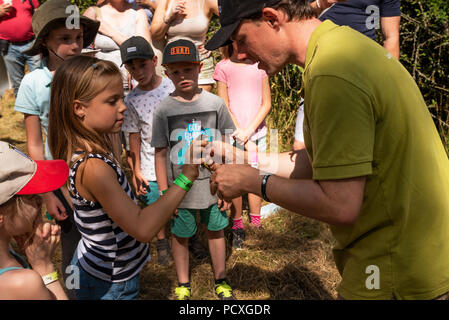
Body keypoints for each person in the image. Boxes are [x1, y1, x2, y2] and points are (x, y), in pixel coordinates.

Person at [204, 0, 449, 300]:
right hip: (417, 255)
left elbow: (341, 205)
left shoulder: (331, 74)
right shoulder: (341, 45)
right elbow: (324, 160)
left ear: (271, 19)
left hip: (394, 270)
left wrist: (251, 182)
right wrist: (243, 159)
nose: (240, 54)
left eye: (241, 40)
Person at [47, 55, 201, 300]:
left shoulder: (83, 148)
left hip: (97, 264)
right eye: (112, 101)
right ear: (79, 108)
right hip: (112, 282)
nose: (123, 106)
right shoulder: (94, 167)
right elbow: (142, 227)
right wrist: (187, 176)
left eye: (122, 96)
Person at [13, 0, 100, 300]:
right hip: (60, 181)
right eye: (64, 39)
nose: (74, 46)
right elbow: (35, 144)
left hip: (96, 175)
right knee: (72, 245)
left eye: (78, 38)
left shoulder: (93, 76)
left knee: (103, 239)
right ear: (45, 42)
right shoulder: (33, 82)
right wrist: (48, 192)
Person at [151, 39, 235, 300]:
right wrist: (166, 193)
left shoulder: (215, 104)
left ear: (200, 68)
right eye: (175, 72)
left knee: (216, 230)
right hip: (181, 190)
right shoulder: (164, 109)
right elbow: (161, 152)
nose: (182, 76)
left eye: (188, 69)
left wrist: (226, 184)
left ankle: (220, 279)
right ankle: (183, 284)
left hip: (212, 186)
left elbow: (226, 144)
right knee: (181, 235)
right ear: (167, 74)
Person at [293, 0, 401, 151]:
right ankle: (258, 169)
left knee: (361, 146)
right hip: (321, 70)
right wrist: (321, 3)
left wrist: (390, 84)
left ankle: (258, 170)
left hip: (364, 76)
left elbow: (391, 37)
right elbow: (293, 22)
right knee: (302, 146)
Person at [119, 36, 175, 266]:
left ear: (154, 61)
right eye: (131, 67)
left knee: (182, 198)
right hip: (150, 162)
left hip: (176, 158)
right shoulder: (131, 99)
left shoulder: (172, 86)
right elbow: (133, 135)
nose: (138, 72)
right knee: (155, 204)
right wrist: (136, 169)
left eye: (142, 64)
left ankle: (187, 237)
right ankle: (162, 241)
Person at [213, 40, 272, 249]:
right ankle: (237, 225)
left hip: (257, 135)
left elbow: (267, 103)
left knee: (257, 175)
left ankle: (256, 221)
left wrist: (249, 133)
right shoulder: (223, 67)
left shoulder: (260, 65)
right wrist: (240, 134)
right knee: (238, 179)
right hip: (233, 136)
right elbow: (223, 105)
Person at [0, 141, 69, 300]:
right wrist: (44, 267)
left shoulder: (8, 250)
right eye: (30, 197)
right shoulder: (23, 283)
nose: (40, 201)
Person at [150, 0, 219, 92]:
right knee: (174, 104)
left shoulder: (206, 1)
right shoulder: (166, 2)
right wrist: (168, 17)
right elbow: (155, 34)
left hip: (200, 61)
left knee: (200, 103)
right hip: (172, 64)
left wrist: (214, 43)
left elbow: (232, 18)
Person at [0, 0, 41, 97]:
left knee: (40, 80)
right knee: (18, 83)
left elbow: (39, 15)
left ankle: (43, 108)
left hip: (32, 43)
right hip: (9, 47)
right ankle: (26, 111)